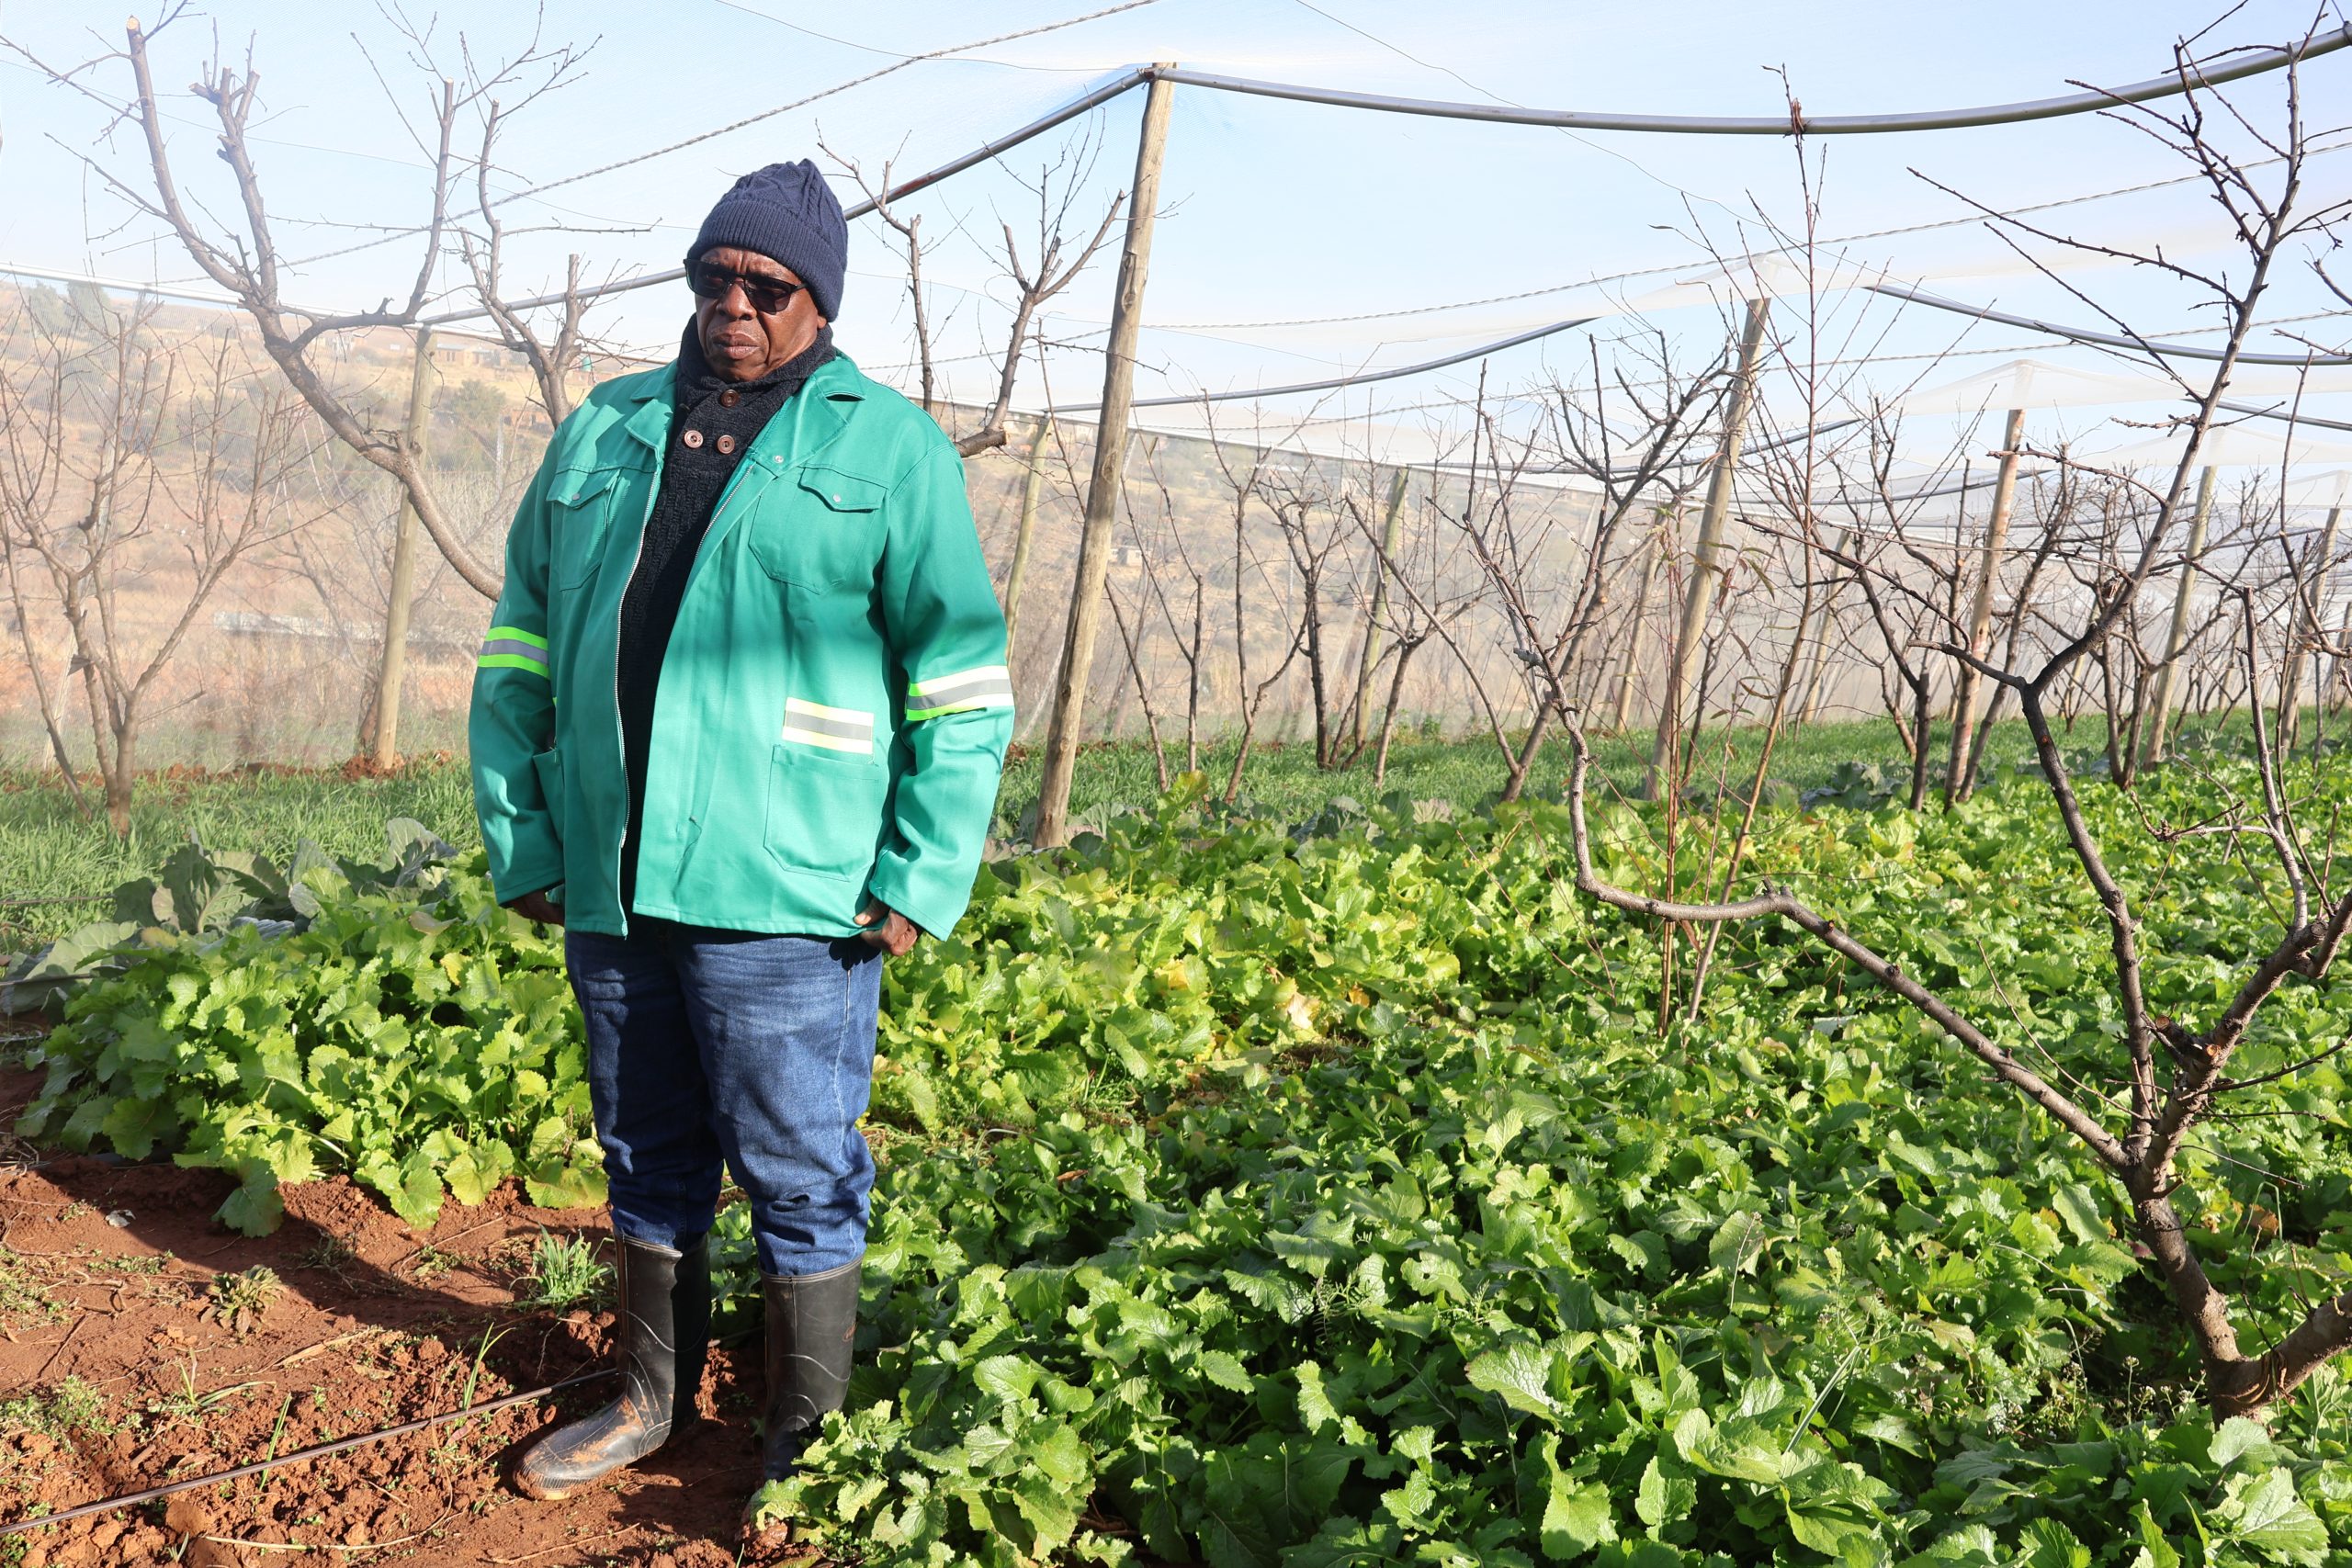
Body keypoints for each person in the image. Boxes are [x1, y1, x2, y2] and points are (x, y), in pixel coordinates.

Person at [467, 159, 1012, 1515]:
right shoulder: (605, 430)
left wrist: (923, 868)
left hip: (789, 885)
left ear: (815, 301)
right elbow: (519, 647)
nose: (733, 306)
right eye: (714, 278)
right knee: (644, 1144)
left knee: (795, 1159)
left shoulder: (889, 449)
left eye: (766, 287)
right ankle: (651, 1397)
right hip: (615, 868)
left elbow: (960, 680)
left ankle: (806, 1432)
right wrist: (526, 833)